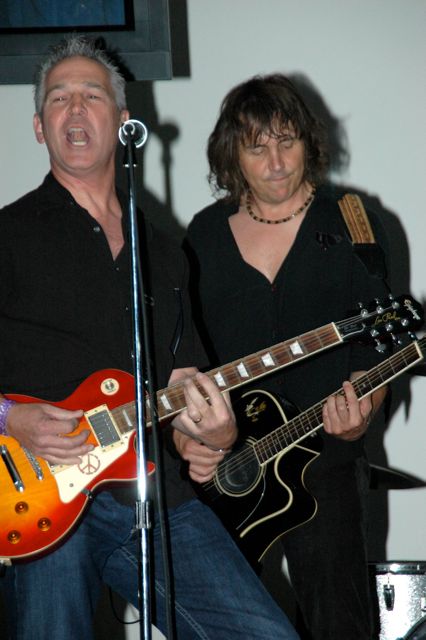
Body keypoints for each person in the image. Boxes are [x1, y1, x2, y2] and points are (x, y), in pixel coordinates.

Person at [0, 40, 299, 640]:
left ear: (122, 120)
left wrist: (212, 436)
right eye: (59, 99)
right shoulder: (8, 233)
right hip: (37, 499)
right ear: (38, 127)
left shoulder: (163, 252)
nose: (75, 109)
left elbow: (182, 386)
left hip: (154, 493)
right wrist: (10, 417)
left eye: (91, 96)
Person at [185, 74, 390, 640]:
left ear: (308, 142)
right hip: (228, 465)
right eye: (257, 148)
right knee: (221, 625)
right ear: (232, 156)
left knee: (338, 622)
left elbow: (379, 343)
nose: (275, 163)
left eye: (286, 141)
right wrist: (190, 441)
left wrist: (363, 413)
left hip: (324, 456)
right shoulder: (203, 235)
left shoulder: (352, 219)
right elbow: (188, 357)